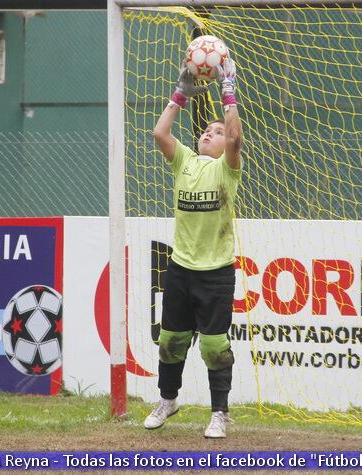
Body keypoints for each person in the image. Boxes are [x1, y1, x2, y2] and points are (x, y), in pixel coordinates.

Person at [143, 57, 242, 439]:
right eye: (206, 129)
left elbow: (235, 138)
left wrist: (227, 90)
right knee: (171, 341)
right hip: (181, 268)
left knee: (215, 345)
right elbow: (159, 133)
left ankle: (220, 413)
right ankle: (168, 400)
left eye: (215, 132)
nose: (208, 133)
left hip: (216, 271)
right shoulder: (184, 160)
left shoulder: (227, 169)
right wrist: (179, 95)